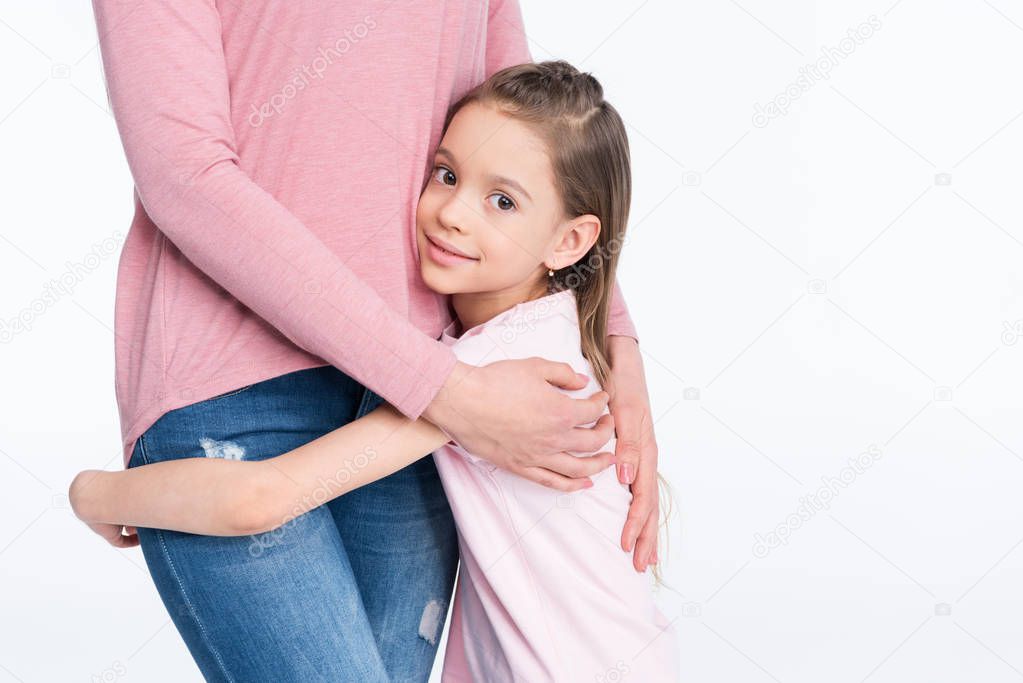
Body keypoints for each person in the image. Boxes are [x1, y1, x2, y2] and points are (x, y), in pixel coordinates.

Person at [89, 1, 662, 680]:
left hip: (428, 393)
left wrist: (612, 343)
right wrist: (452, 385)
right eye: (445, 178)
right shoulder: (483, 368)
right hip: (258, 376)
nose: (453, 209)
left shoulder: (505, 359)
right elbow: (183, 171)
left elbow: (530, 127)